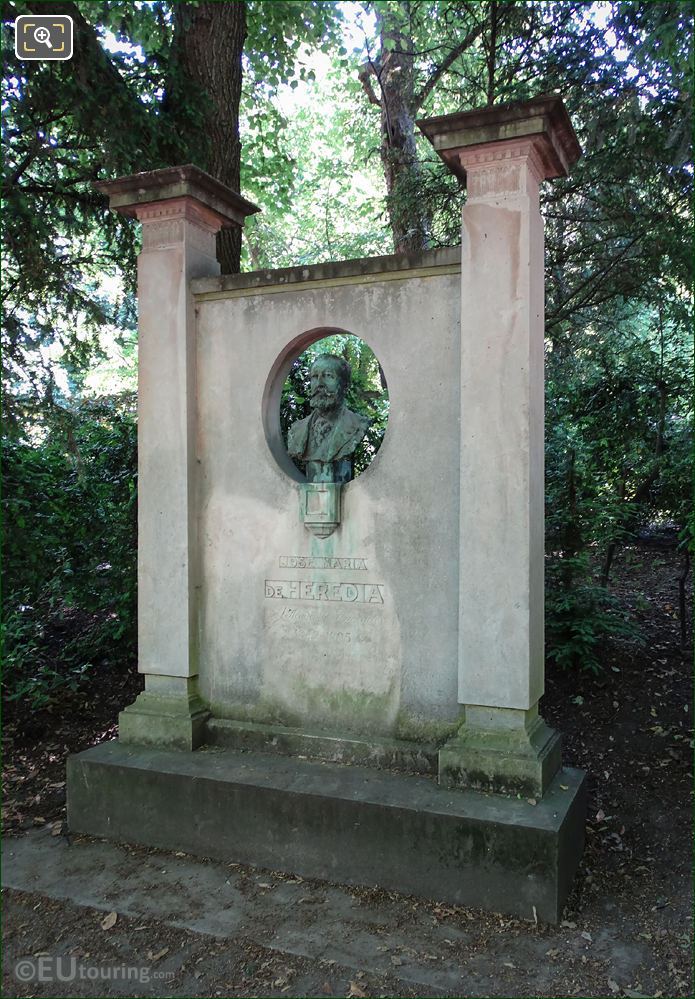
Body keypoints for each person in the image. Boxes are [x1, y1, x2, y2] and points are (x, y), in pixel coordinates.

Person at [287, 353, 370, 483]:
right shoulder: (296, 430)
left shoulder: (358, 424)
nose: (319, 383)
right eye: (315, 377)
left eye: (328, 376)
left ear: (345, 385)